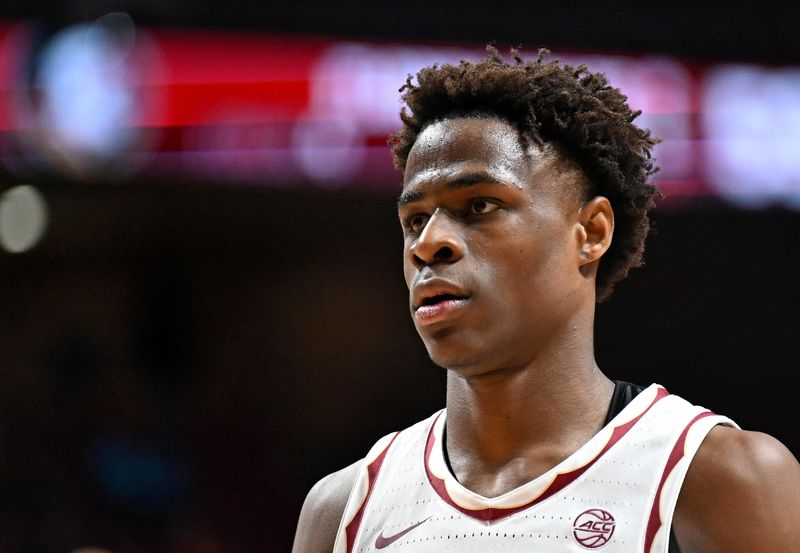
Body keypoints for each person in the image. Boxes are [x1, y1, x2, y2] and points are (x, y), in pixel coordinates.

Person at [291, 48, 800, 553]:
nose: (428, 243)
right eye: (415, 220)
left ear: (590, 232)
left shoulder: (721, 479)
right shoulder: (343, 511)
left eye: (480, 205)